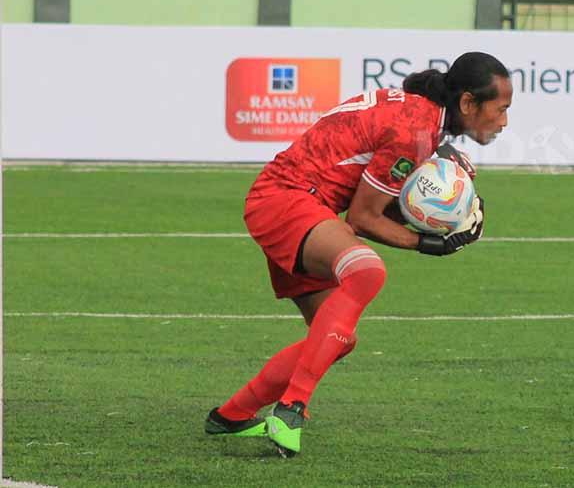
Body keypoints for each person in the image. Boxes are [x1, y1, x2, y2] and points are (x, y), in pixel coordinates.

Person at [204, 52, 512, 456]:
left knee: (335, 339)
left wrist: (432, 176)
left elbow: (371, 195)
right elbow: (364, 217)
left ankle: (231, 416)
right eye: (501, 108)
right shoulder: (415, 128)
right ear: (469, 103)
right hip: (288, 201)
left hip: (302, 205)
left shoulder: (419, 118)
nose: (504, 121)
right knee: (366, 272)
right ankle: (292, 406)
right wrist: (429, 242)